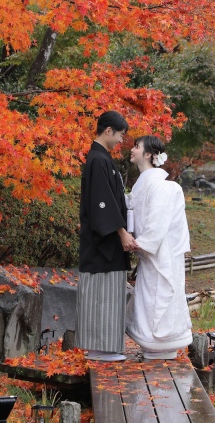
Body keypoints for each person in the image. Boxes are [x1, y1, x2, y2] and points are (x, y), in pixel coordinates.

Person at [76, 111, 138, 362]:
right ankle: (99, 348)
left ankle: (104, 346)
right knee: (101, 294)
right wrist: (122, 232)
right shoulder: (98, 160)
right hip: (103, 242)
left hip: (107, 240)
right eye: (121, 135)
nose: (122, 140)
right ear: (108, 131)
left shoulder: (102, 158)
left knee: (107, 293)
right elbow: (103, 203)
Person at [125, 135, 193, 359]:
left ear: (148, 155)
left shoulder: (164, 188)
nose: (132, 149)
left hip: (163, 254)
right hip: (149, 255)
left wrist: (138, 243)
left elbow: (158, 223)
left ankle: (163, 342)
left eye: (136, 146)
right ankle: (152, 343)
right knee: (148, 297)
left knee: (161, 296)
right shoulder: (143, 185)